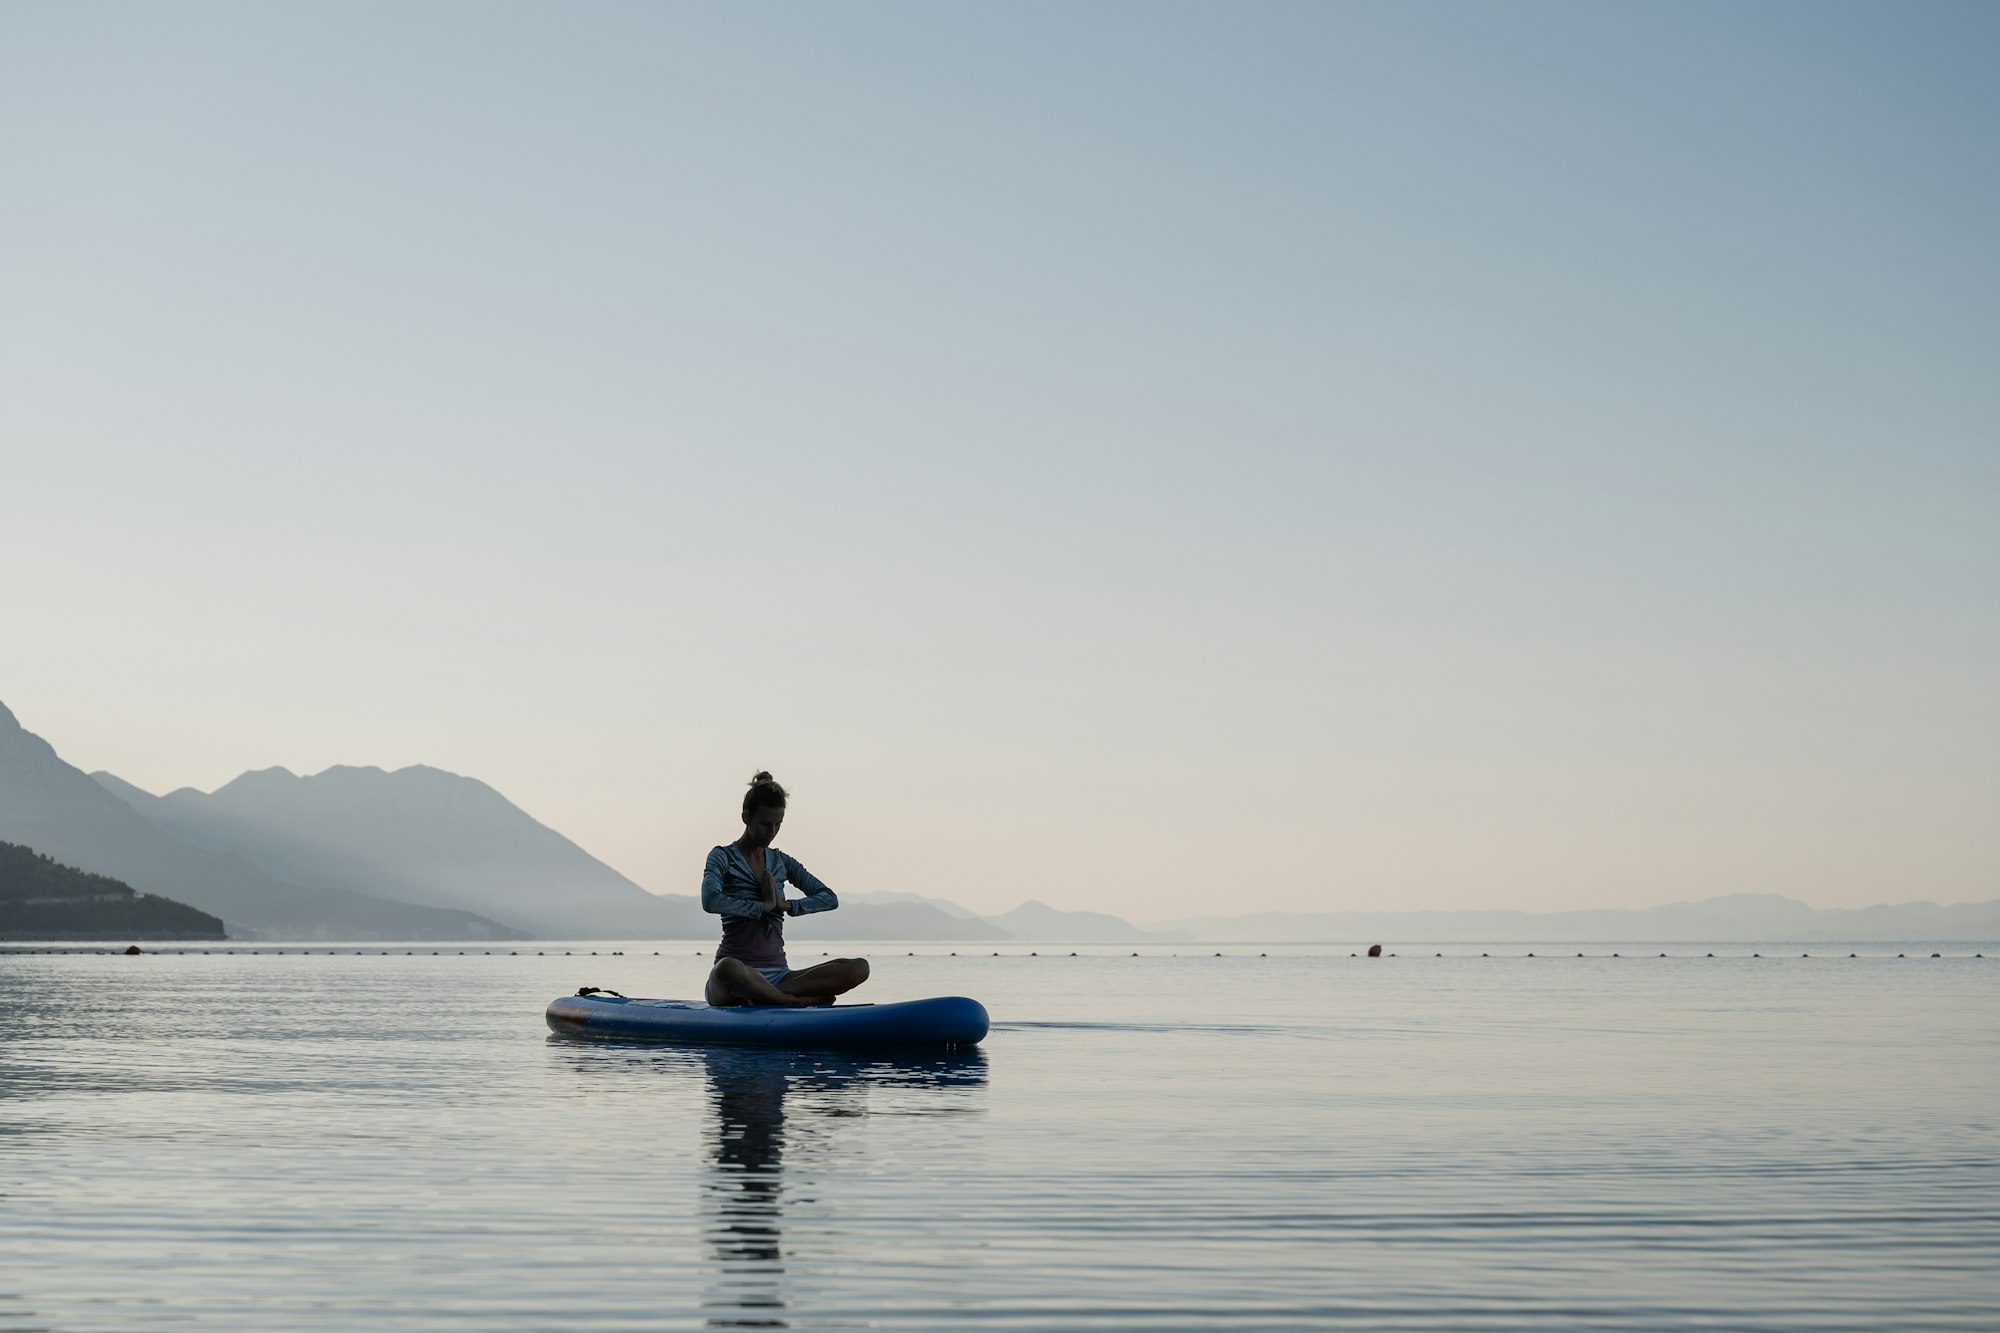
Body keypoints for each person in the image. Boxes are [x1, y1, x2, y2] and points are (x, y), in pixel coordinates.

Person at [701, 771, 870, 1007]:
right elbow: (710, 900)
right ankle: (792, 1003)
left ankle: (770, 996)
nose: (771, 832)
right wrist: (762, 907)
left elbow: (829, 898)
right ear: (746, 817)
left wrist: (787, 905)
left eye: (777, 825)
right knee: (726, 967)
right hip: (735, 978)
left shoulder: (781, 862)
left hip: (779, 977)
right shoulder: (722, 857)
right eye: (764, 824)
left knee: (859, 967)